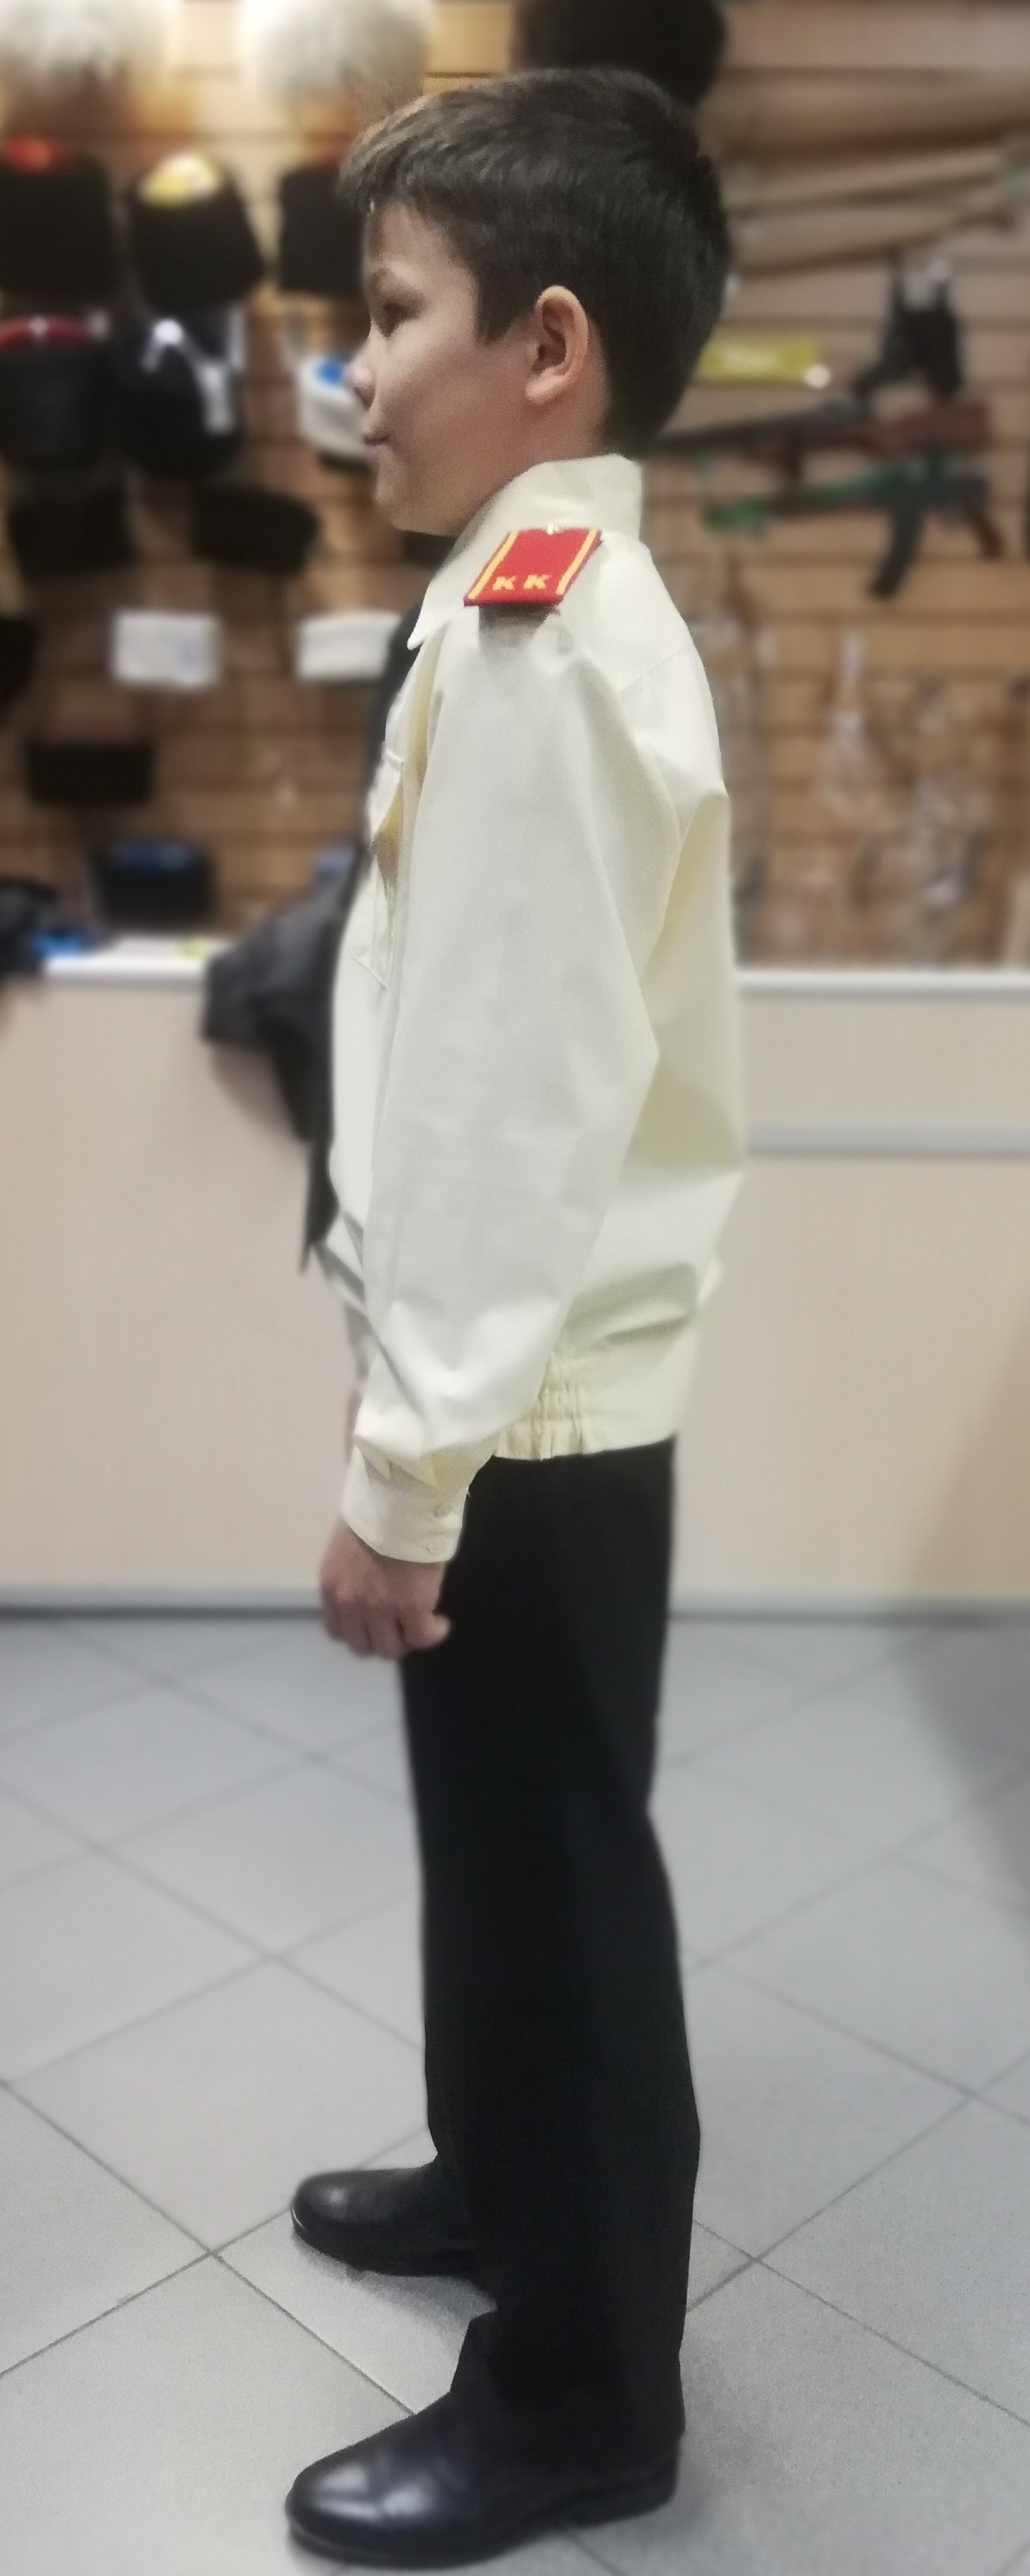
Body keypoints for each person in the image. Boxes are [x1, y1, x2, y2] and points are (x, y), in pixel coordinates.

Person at [287, 66, 743, 2568]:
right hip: (518, 1380)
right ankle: (500, 2176)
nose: (356, 374)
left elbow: (498, 1105)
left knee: (560, 1878)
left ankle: (580, 2394)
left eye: (391, 317)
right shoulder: (512, 600)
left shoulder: (551, 644)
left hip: (528, 1401)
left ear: (544, 347)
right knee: (502, 1841)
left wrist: (403, 1469)